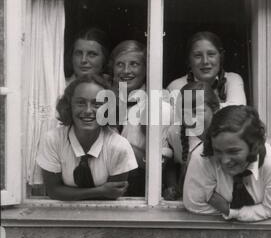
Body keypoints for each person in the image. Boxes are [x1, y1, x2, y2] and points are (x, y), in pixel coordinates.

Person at [183, 105, 271, 222]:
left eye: (233, 151)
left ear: (253, 146)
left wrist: (229, 211)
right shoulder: (202, 158)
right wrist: (253, 211)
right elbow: (194, 205)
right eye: (218, 151)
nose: (225, 161)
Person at [37, 75, 138, 201]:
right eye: (80, 103)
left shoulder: (119, 146)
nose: (88, 110)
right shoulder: (53, 139)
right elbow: (53, 191)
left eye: (97, 104)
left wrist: (103, 192)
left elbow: (112, 194)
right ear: (69, 106)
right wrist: (99, 191)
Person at [110, 40, 173, 196]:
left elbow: (157, 166)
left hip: (140, 190)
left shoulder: (158, 105)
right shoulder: (104, 100)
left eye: (134, 64)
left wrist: (112, 139)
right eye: (120, 64)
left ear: (146, 68)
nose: (126, 71)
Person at [163, 81, 220, 200]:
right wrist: (172, 187)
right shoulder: (175, 133)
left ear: (215, 109)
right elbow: (171, 164)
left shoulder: (228, 132)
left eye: (197, 111)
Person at [167, 31, 246, 107]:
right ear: (189, 60)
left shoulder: (232, 79)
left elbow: (237, 113)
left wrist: (199, 110)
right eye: (198, 55)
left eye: (211, 54)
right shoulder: (177, 86)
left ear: (220, 57)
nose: (205, 61)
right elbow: (190, 118)